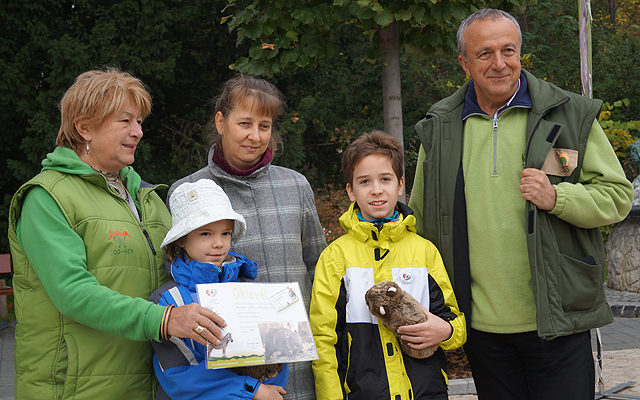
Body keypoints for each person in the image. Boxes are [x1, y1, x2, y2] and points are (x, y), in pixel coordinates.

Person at [408, 9, 634, 400]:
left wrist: (558, 197)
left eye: (508, 50)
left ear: (520, 53)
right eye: (484, 54)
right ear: (464, 63)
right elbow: (422, 220)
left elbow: (617, 196)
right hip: (481, 328)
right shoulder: (441, 126)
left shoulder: (569, 114)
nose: (499, 63)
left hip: (558, 320)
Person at [7, 68, 226, 400]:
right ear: (85, 128)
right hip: (76, 387)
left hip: (149, 384)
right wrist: (164, 319)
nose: (137, 132)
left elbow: (184, 270)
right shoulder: (47, 198)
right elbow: (72, 292)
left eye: (139, 122)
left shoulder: (147, 198)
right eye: (125, 121)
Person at [168, 74, 327, 400]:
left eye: (265, 126)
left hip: (300, 367)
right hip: (229, 379)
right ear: (221, 122)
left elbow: (319, 270)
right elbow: (178, 287)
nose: (255, 136)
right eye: (245, 123)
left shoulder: (296, 186)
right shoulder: (190, 194)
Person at [310, 131, 466, 400]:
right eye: (364, 181)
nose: (376, 189)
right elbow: (323, 340)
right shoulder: (335, 258)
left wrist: (448, 331)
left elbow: (454, 320)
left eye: (385, 179)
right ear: (350, 190)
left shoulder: (424, 251)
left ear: (400, 185)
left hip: (426, 392)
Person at [149, 179, 289, 400]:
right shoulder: (167, 301)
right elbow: (178, 374)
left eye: (226, 233)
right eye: (206, 234)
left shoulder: (249, 290)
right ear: (182, 240)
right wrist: (250, 390)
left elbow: (275, 359)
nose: (219, 243)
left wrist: (266, 388)